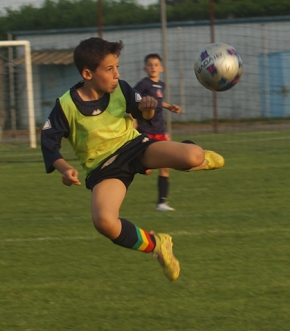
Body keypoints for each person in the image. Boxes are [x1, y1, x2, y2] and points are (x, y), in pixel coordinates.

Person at [41, 37, 223, 282]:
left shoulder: (122, 88)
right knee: (104, 222)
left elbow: (145, 115)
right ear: (87, 74)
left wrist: (147, 108)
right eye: (109, 69)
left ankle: (193, 160)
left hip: (136, 148)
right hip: (104, 169)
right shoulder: (65, 105)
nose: (116, 74)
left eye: (117, 67)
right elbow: (49, 141)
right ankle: (157, 244)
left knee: (194, 155)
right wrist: (64, 168)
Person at [134, 53, 182, 212]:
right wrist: (133, 119)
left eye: (156, 65)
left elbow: (158, 101)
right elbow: (133, 99)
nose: (153, 67)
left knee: (165, 166)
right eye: (150, 65)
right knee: (147, 170)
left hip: (160, 130)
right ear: (145, 68)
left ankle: (162, 203)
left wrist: (169, 107)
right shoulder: (143, 84)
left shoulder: (161, 84)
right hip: (146, 130)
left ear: (161, 68)